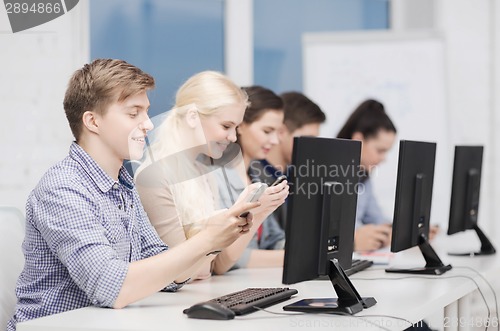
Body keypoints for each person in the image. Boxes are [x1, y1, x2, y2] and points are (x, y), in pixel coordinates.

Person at [6, 59, 258, 331]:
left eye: (146, 112)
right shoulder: (62, 188)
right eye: (133, 113)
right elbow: (112, 288)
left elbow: (173, 276)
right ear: (92, 121)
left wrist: (218, 236)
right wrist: (207, 238)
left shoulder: (122, 186)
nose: (148, 124)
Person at [135, 72, 289, 278]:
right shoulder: (155, 176)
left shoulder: (205, 173)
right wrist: (228, 221)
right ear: (192, 117)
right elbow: (180, 273)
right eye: (226, 126)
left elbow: (218, 266)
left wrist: (256, 213)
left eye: (235, 127)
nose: (233, 137)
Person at [337, 99, 438, 252]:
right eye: (380, 150)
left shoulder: (363, 178)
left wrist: (409, 231)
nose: (383, 158)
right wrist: (353, 241)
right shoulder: (326, 175)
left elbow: (378, 220)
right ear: (358, 140)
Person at [217, 86, 288, 268]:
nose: (275, 141)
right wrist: (292, 259)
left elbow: (275, 239)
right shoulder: (216, 179)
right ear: (241, 125)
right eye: (267, 131)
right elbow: (225, 258)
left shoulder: (257, 179)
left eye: (277, 132)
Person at [250, 91, 326, 229]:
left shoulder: (295, 175)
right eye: (308, 140)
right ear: (282, 132)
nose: (312, 149)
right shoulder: (254, 176)